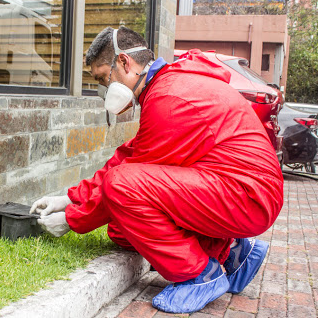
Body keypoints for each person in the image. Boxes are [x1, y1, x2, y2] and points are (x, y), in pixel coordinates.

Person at [30, 26, 284, 314]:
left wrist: (73, 219)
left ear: (125, 63)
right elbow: (131, 155)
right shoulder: (169, 86)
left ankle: (199, 275)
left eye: (103, 78)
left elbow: (126, 181)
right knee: (122, 229)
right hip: (241, 189)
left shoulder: (168, 99)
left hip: (247, 196)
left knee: (122, 190)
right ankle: (237, 254)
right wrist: (69, 197)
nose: (104, 89)